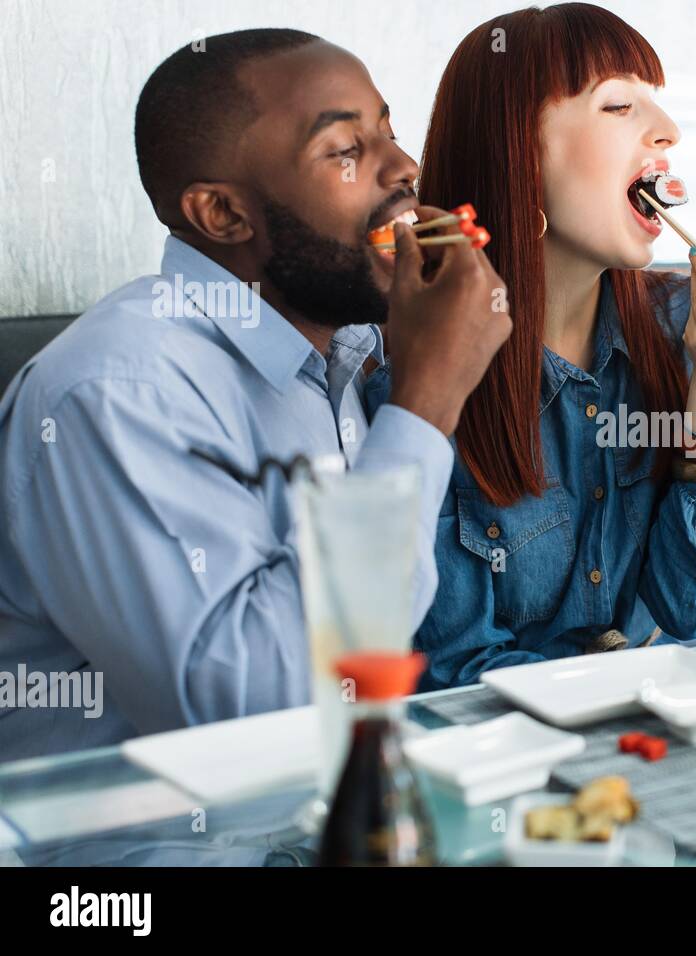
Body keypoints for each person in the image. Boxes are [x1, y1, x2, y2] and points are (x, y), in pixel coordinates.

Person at [0, 29, 510, 760]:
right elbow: (260, 713)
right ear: (224, 216)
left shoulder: (347, 356)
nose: (405, 167)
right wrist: (427, 401)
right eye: (345, 149)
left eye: (389, 132)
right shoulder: (116, 392)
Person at [366, 3, 696, 689]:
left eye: (656, 105)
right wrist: (624, 682)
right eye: (618, 107)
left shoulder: (679, 327)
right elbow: (455, 675)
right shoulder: (413, 377)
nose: (666, 133)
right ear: (518, 153)